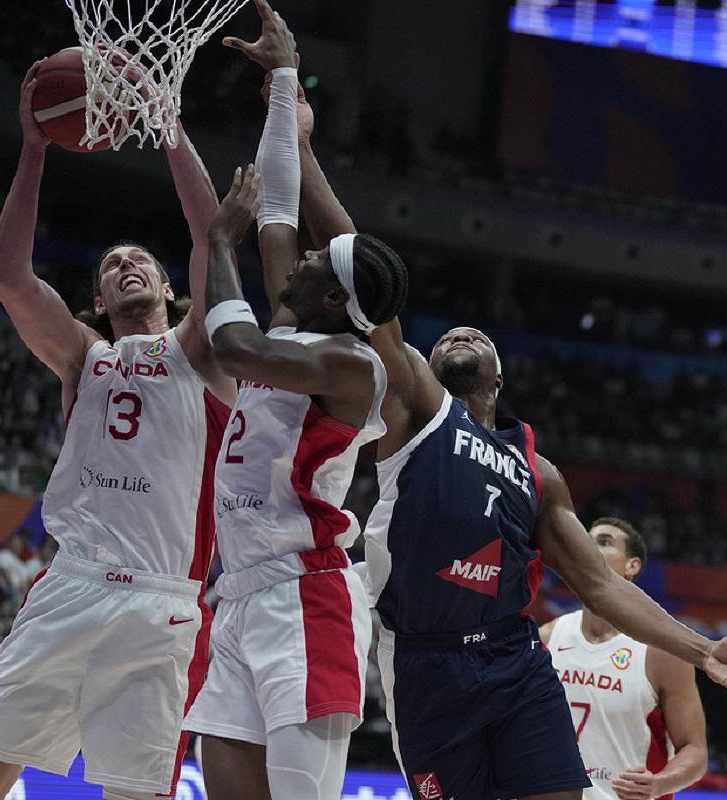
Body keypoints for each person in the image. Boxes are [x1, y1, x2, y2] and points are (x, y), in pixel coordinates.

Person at [284, 76, 727, 800]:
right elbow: (369, 281)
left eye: (473, 334)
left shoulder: (536, 470)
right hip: (426, 662)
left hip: (514, 663)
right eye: (447, 332)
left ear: (498, 376)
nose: (455, 333)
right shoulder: (421, 407)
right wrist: (299, 148)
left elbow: (601, 584)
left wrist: (705, 652)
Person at [0, 48, 236, 800]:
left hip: (161, 601)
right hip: (69, 588)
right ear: (98, 300)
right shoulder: (83, 357)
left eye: (141, 259)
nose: (127, 264)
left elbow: (211, 242)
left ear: (170, 288)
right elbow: (8, 273)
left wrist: (167, 124)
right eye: (111, 264)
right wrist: (34, 150)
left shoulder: (202, 351)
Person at [183, 4, 408, 797]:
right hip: (238, 593)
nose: (304, 255)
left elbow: (232, 348)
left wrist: (216, 245)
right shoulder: (298, 324)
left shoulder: (351, 367)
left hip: (304, 595)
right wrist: (283, 82)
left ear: (332, 296)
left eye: (317, 262)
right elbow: (278, 204)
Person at [539, 518, 708, 800]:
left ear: (632, 565)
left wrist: (659, 783)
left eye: (604, 542)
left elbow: (695, 750)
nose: (589, 548)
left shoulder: (661, 651)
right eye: (585, 540)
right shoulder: (547, 636)